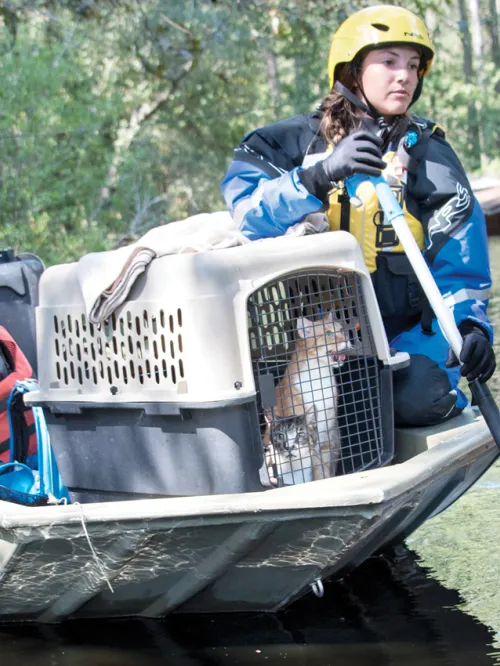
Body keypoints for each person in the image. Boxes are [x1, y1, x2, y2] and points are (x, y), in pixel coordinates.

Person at [220, 5, 495, 427]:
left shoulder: (429, 154)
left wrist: (472, 328)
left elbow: (460, 266)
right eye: (388, 62)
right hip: (311, 343)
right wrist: (316, 177)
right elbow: (247, 217)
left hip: (402, 341)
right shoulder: (285, 143)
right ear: (351, 72)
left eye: (414, 65)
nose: (404, 75)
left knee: (421, 395)